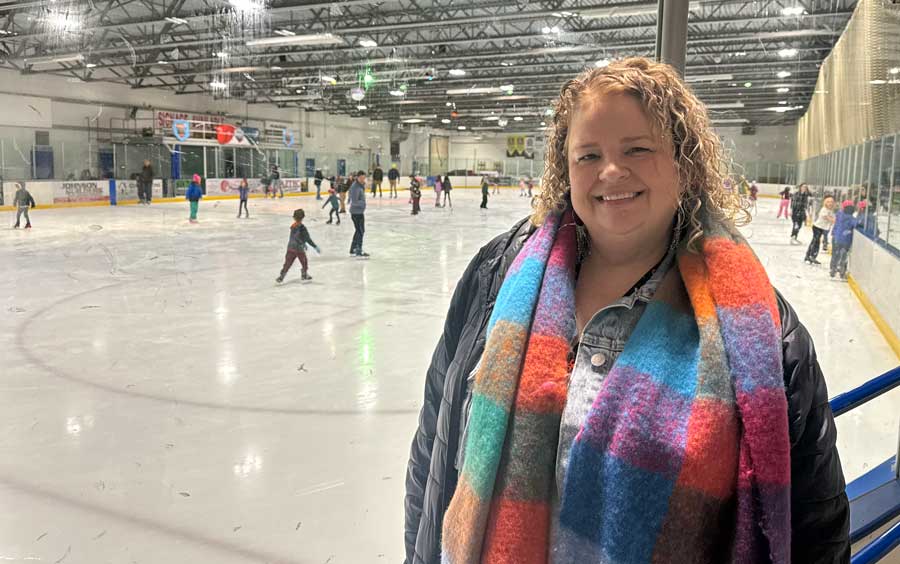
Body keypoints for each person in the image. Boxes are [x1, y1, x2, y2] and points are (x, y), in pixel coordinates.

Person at [404, 57, 848, 564]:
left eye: (637, 148)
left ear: (684, 162)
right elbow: (433, 450)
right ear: (565, 169)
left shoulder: (761, 332)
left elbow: (816, 527)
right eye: (588, 155)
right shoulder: (495, 278)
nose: (611, 171)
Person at [276, 209, 319, 283]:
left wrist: (302, 242)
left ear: (294, 217)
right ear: (303, 217)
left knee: (287, 263)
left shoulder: (293, 226)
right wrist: (314, 246)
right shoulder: (302, 228)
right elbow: (307, 238)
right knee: (304, 262)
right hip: (299, 249)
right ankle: (304, 274)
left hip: (290, 248)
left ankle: (282, 276)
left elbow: (295, 236)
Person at [831, 200, 857, 279]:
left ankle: (833, 269)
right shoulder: (852, 218)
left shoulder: (839, 215)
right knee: (844, 256)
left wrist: (833, 233)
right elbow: (856, 224)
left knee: (835, 254)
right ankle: (842, 272)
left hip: (837, 238)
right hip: (846, 240)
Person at [805, 195, 835, 265]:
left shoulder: (831, 211)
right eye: (828, 202)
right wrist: (835, 221)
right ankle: (811, 255)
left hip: (822, 228)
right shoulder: (824, 209)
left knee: (815, 241)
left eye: (831, 202)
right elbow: (827, 217)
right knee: (816, 242)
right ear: (825, 203)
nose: (830, 203)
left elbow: (833, 217)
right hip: (817, 227)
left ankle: (809, 256)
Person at [348, 170, 368, 257]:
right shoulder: (355, 187)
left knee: (359, 231)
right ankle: (358, 249)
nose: (363, 179)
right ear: (358, 177)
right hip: (356, 213)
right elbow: (355, 201)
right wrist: (363, 204)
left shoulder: (360, 185)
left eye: (364, 178)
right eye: (361, 178)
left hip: (359, 212)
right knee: (360, 231)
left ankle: (353, 248)